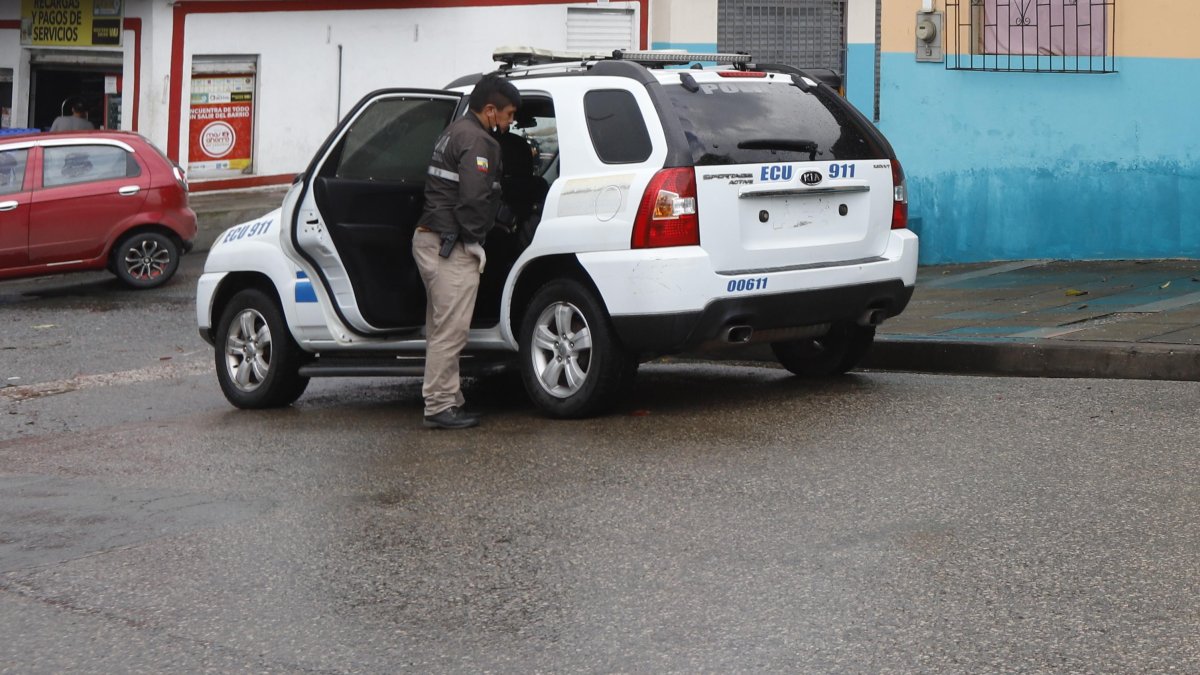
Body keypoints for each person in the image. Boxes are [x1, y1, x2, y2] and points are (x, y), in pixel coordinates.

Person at [412, 73, 520, 430]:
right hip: (450, 246)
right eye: (508, 115)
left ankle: (449, 398)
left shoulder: (454, 131)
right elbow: (475, 199)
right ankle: (440, 406)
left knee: (440, 326)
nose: (510, 122)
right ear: (490, 110)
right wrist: (475, 240)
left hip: (430, 239)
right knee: (451, 331)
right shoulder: (479, 142)